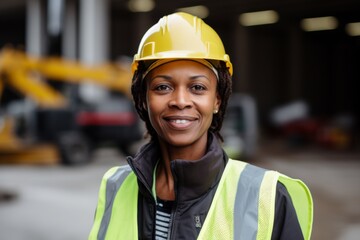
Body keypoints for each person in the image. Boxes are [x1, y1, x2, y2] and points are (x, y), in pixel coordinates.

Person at [88, 12, 313, 240]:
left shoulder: (267, 197)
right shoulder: (115, 186)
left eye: (197, 87)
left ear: (217, 100)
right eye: (163, 87)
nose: (180, 100)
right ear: (143, 99)